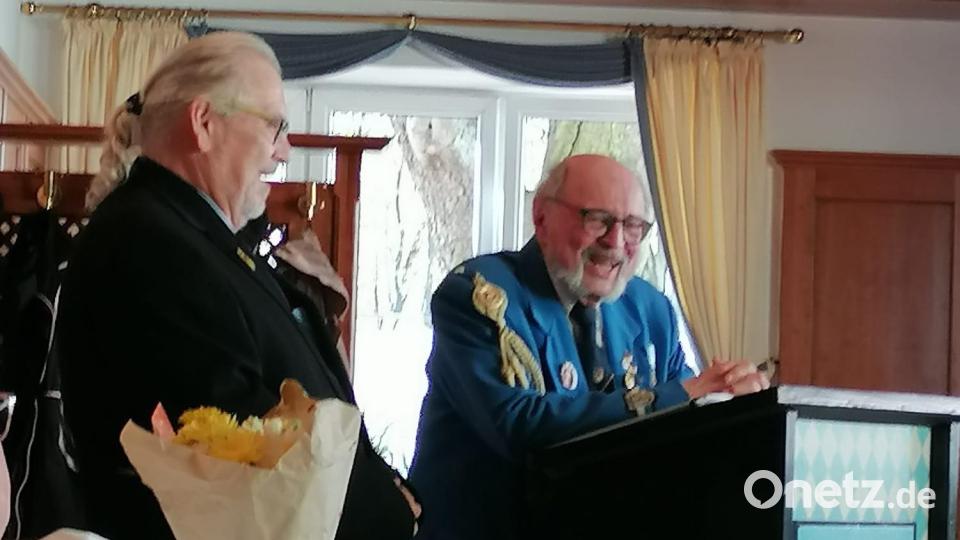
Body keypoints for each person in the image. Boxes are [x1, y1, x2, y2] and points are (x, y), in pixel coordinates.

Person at [56, 32, 418, 540]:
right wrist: (385, 511)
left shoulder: (196, 237)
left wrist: (386, 492)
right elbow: (244, 448)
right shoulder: (149, 245)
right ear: (204, 123)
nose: (284, 150)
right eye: (275, 126)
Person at [408, 154, 769, 540]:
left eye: (633, 226)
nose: (615, 242)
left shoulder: (651, 311)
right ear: (541, 218)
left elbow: (684, 432)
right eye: (597, 219)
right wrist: (684, 394)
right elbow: (516, 426)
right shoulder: (481, 296)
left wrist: (732, 403)